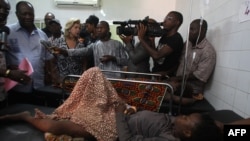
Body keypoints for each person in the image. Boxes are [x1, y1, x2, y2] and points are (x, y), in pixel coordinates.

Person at [1, 67, 239, 141]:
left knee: (60, 127)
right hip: (125, 112)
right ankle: (65, 110)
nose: (182, 116)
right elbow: (235, 129)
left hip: (114, 130)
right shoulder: (201, 127)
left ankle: (24, 117)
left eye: (186, 119)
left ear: (186, 132)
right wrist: (234, 130)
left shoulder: (168, 138)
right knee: (94, 73)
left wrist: (117, 115)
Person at [5, 1, 54, 102]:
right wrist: (8, 69)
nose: (28, 17)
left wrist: (51, 77)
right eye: (24, 14)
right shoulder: (8, 32)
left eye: (30, 14)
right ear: (17, 14)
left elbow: (48, 59)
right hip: (16, 88)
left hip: (39, 87)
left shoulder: (42, 35)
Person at [166, 19, 216, 105]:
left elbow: (199, 76)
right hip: (178, 84)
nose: (189, 32)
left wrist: (176, 79)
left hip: (191, 91)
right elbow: (180, 61)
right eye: (189, 29)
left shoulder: (208, 51)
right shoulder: (188, 44)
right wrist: (167, 73)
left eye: (192, 29)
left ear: (202, 31)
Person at [52, 21, 128, 78]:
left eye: (101, 28)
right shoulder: (95, 45)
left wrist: (113, 58)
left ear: (108, 29)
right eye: (97, 28)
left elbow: (125, 61)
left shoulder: (117, 44)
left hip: (116, 79)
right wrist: (65, 51)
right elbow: (82, 51)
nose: (99, 30)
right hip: (101, 79)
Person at [0, 0, 31, 105]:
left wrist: (8, 68)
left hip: (2, 94)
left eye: (6, 10)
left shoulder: (2, 32)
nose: (3, 12)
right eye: (0, 8)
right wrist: (8, 73)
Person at [138, 11, 184, 77]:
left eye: (169, 19)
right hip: (156, 74)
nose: (164, 21)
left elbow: (156, 55)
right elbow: (156, 57)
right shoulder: (165, 36)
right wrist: (152, 41)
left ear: (177, 22)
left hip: (166, 78)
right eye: (165, 18)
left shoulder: (176, 39)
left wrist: (141, 39)